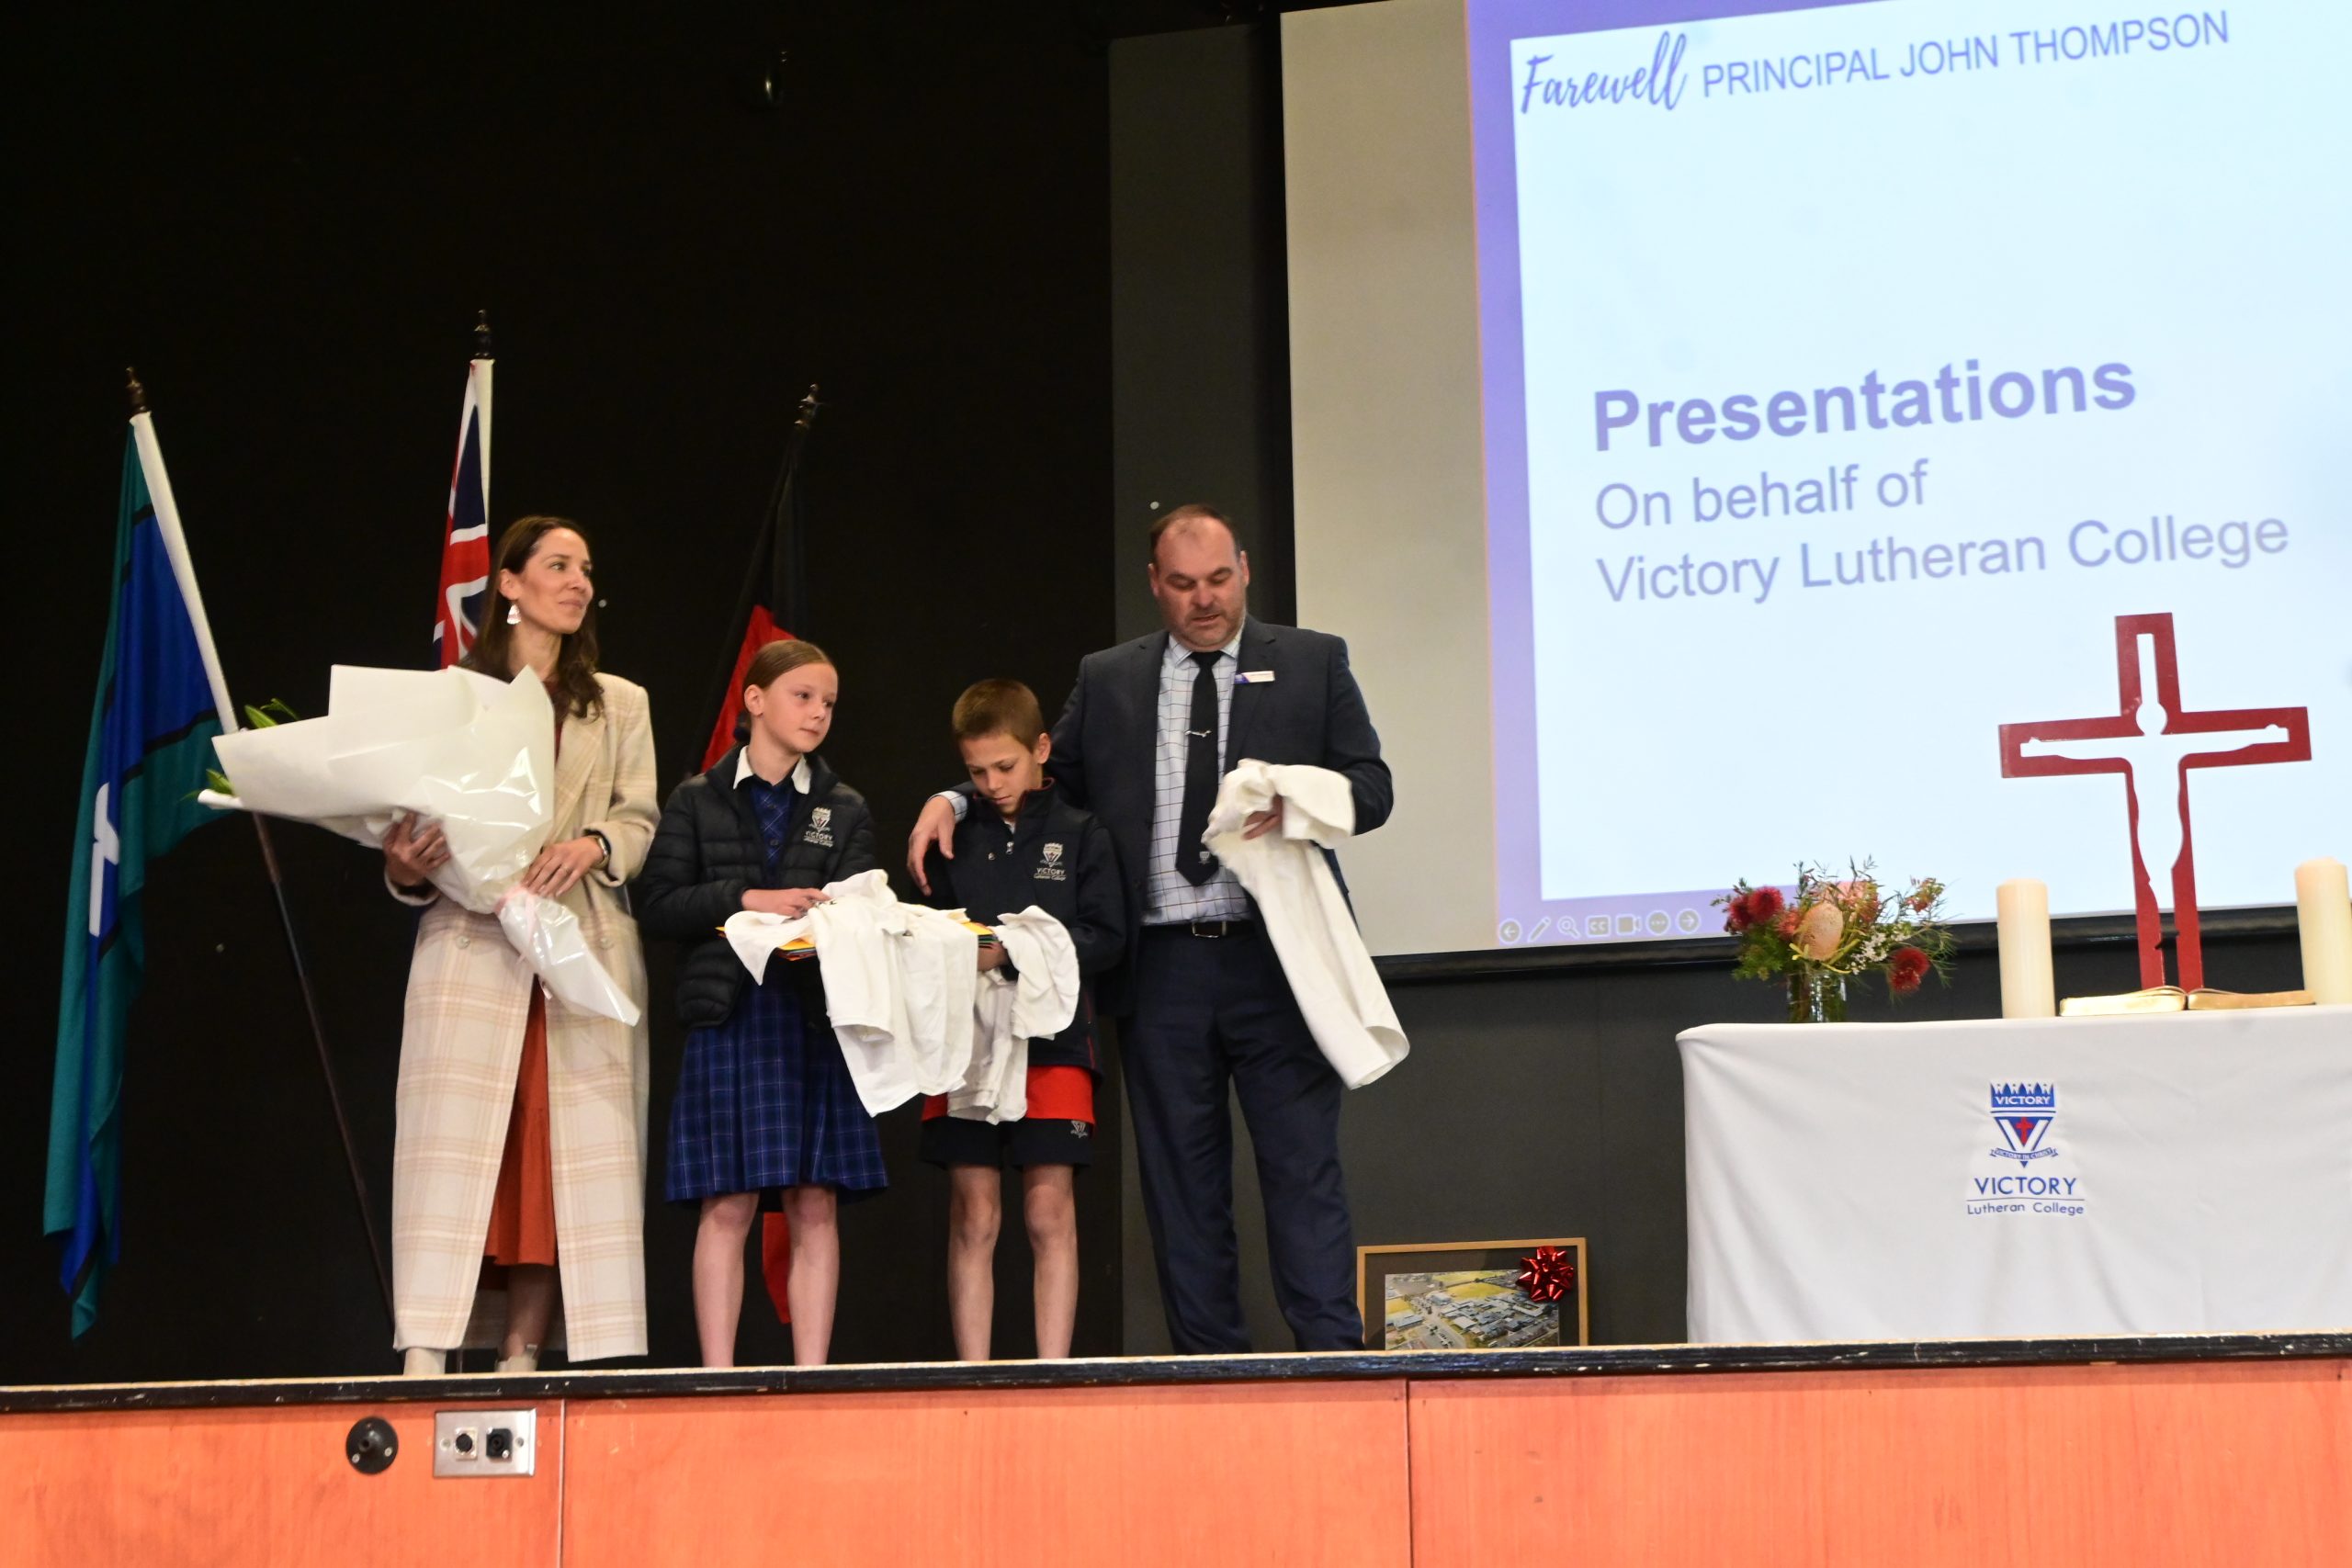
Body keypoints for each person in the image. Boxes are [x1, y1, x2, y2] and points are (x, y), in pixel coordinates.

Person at [907, 504, 1392, 1353]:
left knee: (1302, 1168)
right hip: (1160, 966)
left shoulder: (1312, 661)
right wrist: (950, 798)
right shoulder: (1111, 677)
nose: (1204, 600)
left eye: (1218, 579)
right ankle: (1210, 1372)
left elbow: (1373, 787)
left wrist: (1301, 803)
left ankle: (1335, 1364)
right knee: (1180, 1182)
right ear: (1154, 586)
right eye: (1183, 584)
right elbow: (1040, 768)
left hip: (1277, 961)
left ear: (1244, 568)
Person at [385, 515, 658, 1375]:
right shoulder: (451, 701)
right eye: (558, 565)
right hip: (472, 947)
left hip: (576, 944)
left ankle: (523, 1352)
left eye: (586, 568)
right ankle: (426, 1346)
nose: (578, 582)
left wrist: (599, 844)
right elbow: (406, 832)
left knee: (555, 1156)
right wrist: (403, 866)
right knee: (459, 1151)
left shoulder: (619, 702)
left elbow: (639, 816)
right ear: (509, 583)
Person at [636, 638, 881, 1368]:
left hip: (812, 1017)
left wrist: (827, 922)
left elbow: (864, 907)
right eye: (803, 695)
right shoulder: (696, 798)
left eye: (829, 702)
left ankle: (811, 1374)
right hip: (731, 1016)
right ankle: (717, 1375)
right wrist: (745, 899)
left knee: (814, 1200)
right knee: (728, 1198)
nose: (818, 713)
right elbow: (657, 903)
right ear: (755, 700)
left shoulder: (844, 806)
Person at [917, 680, 1125, 1360]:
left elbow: (1107, 935)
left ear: (1041, 748)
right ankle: (969, 1373)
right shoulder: (953, 832)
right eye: (975, 771)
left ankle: (1052, 1370)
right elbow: (926, 930)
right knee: (974, 1213)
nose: (991, 783)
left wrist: (1015, 951)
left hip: (1055, 1041)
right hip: (966, 1043)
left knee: (1047, 1210)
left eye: (1004, 767)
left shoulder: (1082, 830)